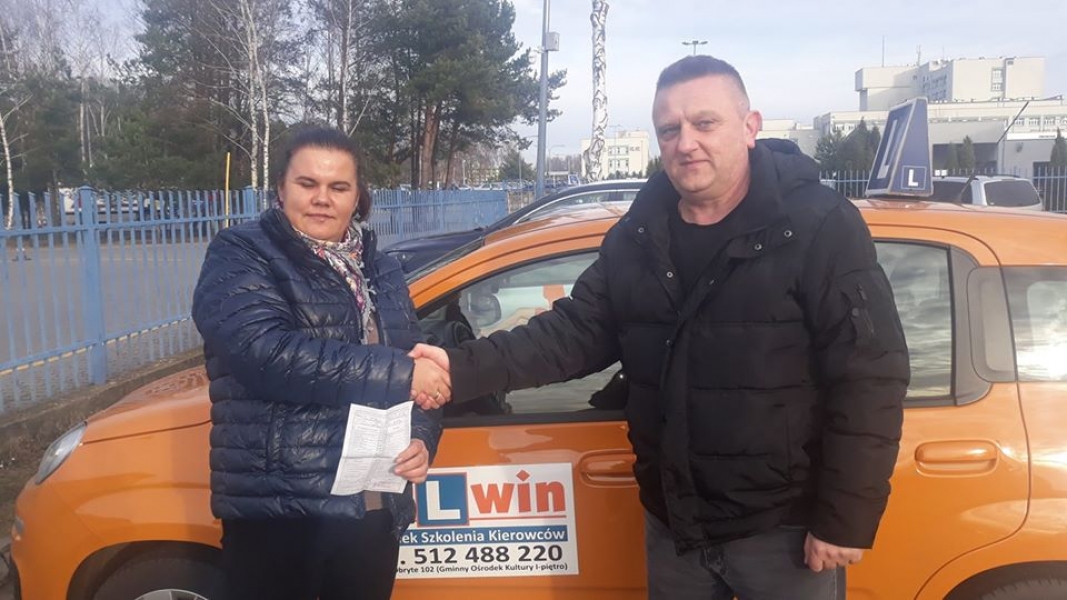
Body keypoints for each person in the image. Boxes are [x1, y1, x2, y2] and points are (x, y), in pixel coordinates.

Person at [410, 55, 909, 600]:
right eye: (669, 129)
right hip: (676, 530)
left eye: (704, 123)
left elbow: (870, 375)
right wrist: (459, 368)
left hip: (783, 532)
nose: (685, 142)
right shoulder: (640, 234)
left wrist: (844, 518)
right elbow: (572, 334)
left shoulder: (818, 225)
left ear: (750, 127)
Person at [192, 127, 449, 600]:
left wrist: (421, 436)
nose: (322, 199)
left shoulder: (381, 268)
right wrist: (403, 374)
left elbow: (415, 361)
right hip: (282, 510)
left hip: (372, 507)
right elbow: (266, 354)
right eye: (307, 183)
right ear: (281, 188)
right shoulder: (242, 253)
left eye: (338, 187)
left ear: (357, 197)